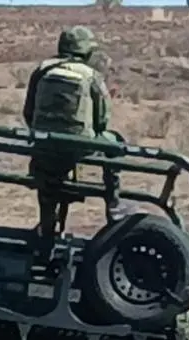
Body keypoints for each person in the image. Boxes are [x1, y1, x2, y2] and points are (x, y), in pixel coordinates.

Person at [22, 25, 120, 257]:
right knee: (116, 144)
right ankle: (114, 205)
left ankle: (47, 224)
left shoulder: (42, 70)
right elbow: (102, 119)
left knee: (46, 172)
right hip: (79, 146)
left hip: (45, 143)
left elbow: (28, 111)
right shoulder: (90, 75)